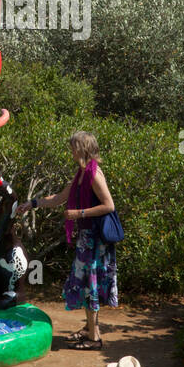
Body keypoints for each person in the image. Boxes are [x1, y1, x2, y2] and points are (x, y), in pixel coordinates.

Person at [21, 130, 116, 348]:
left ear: (82, 149)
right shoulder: (81, 173)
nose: (71, 151)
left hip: (94, 240)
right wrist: (34, 204)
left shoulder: (94, 174)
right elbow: (60, 198)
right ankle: (90, 329)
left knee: (89, 285)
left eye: (73, 146)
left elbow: (109, 205)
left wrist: (79, 213)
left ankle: (94, 339)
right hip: (86, 239)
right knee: (84, 285)